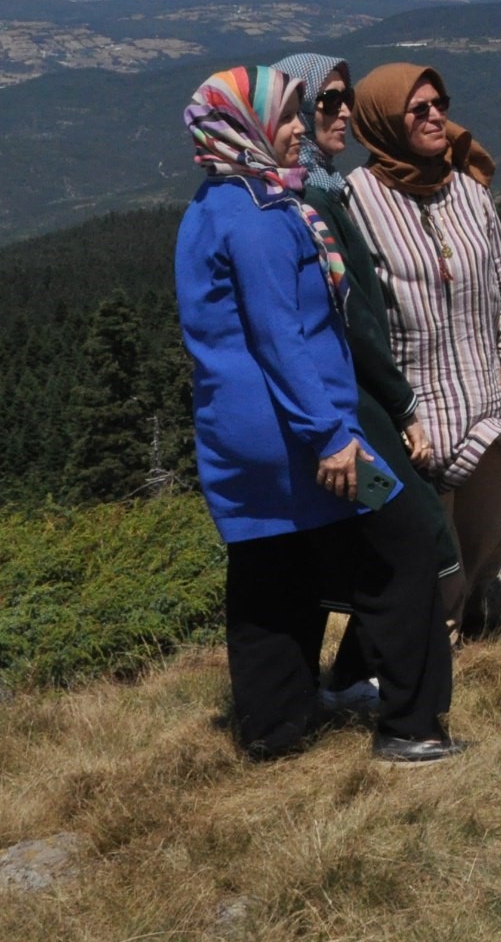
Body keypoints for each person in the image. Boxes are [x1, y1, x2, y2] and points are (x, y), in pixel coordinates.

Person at [172, 64, 461, 764]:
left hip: (242, 442)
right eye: (288, 116)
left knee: (272, 571)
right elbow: (283, 339)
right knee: (406, 547)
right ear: (246, 125)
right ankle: (410, 724)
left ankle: (276, 728)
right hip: (307, 438)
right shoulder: (265, 222)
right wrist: (332, 436)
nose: (301, 128)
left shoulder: (210, 205)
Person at [270, 50, 462, 709]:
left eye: (345, 98)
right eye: (327, 102)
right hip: (353, 406)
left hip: (349, 405)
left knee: (374, 537)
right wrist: (403, 404)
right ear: (291, 108)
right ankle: (399, 701)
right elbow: (350, 318)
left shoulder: (314, 187)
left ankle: (346, 681)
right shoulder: (310, 200)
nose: (342, 112)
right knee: (414, 531)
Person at [341, 61, 501, 638]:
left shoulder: (466, 189)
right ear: (382, 121)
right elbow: (355, 316)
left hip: (483, 394)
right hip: (417, 411)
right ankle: (430, 645)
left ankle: (469, 620)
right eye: (418, 108)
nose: (436, 115)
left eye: (440, 103)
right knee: (429, 540)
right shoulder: (358, 201)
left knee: (492, 519)